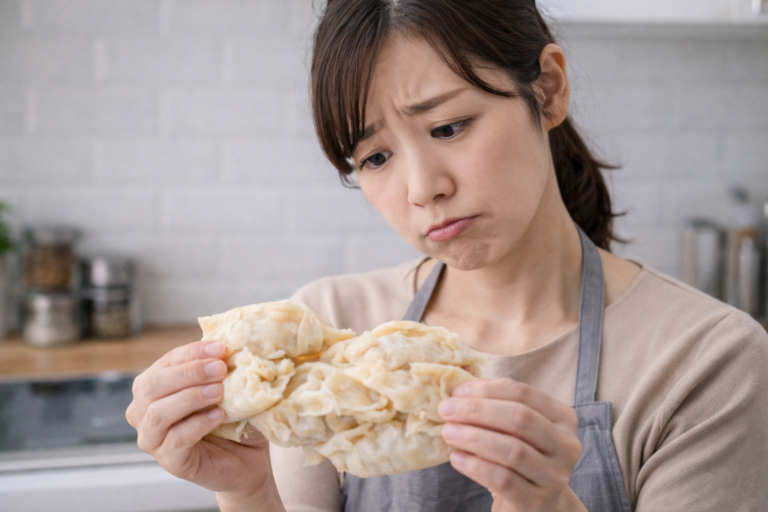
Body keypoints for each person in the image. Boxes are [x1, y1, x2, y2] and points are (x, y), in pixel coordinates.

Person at [125, 1, 768, 511]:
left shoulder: (706, 363)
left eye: (449, 127)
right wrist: (246, 491)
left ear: (547, 88)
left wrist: (546, 506)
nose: (421, 187)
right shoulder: (328, 330)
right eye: (375, 157)